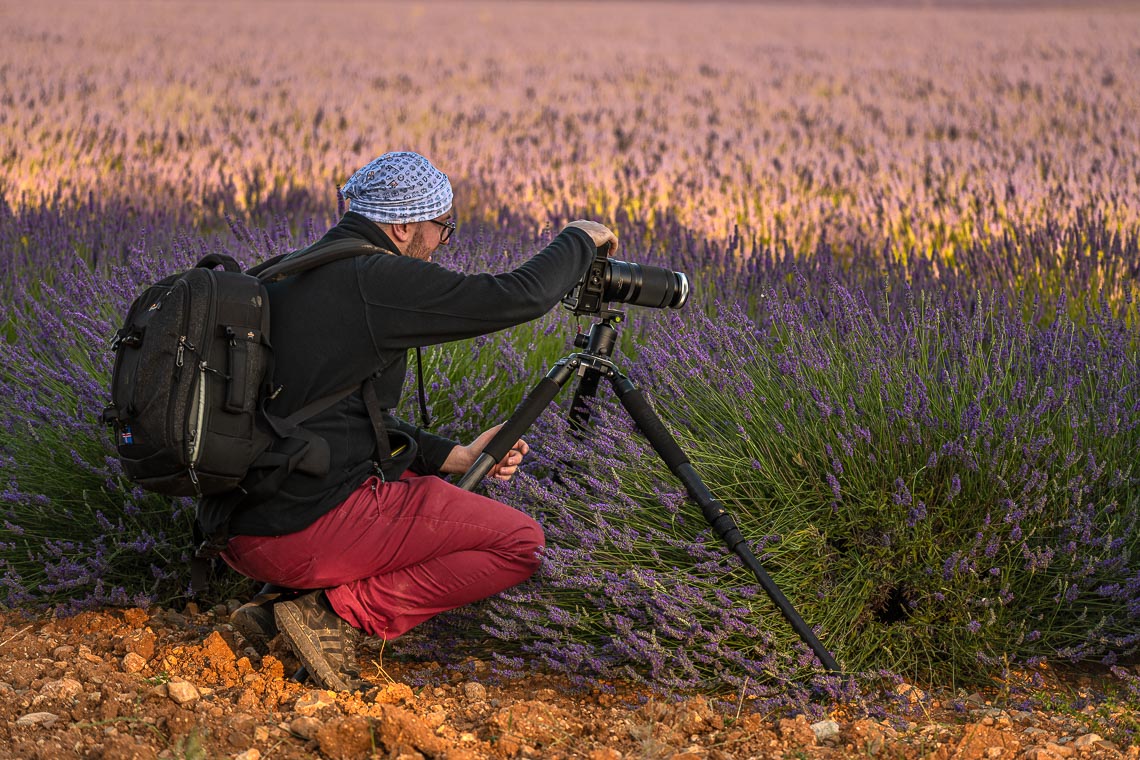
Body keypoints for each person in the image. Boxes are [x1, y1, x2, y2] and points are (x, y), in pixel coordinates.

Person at [196, 151, 616, 692]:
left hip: (237, 532)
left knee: (407, 487)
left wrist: (456, 458)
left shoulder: (286, 271)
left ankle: (274, 607)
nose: (443, 243)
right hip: (300, 533)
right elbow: (515, 298)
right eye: (442, 228)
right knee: (520, 542)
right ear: (401, 224)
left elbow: (339, 415)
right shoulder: (375, 277)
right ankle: (336, 614)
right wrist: (578, 239)